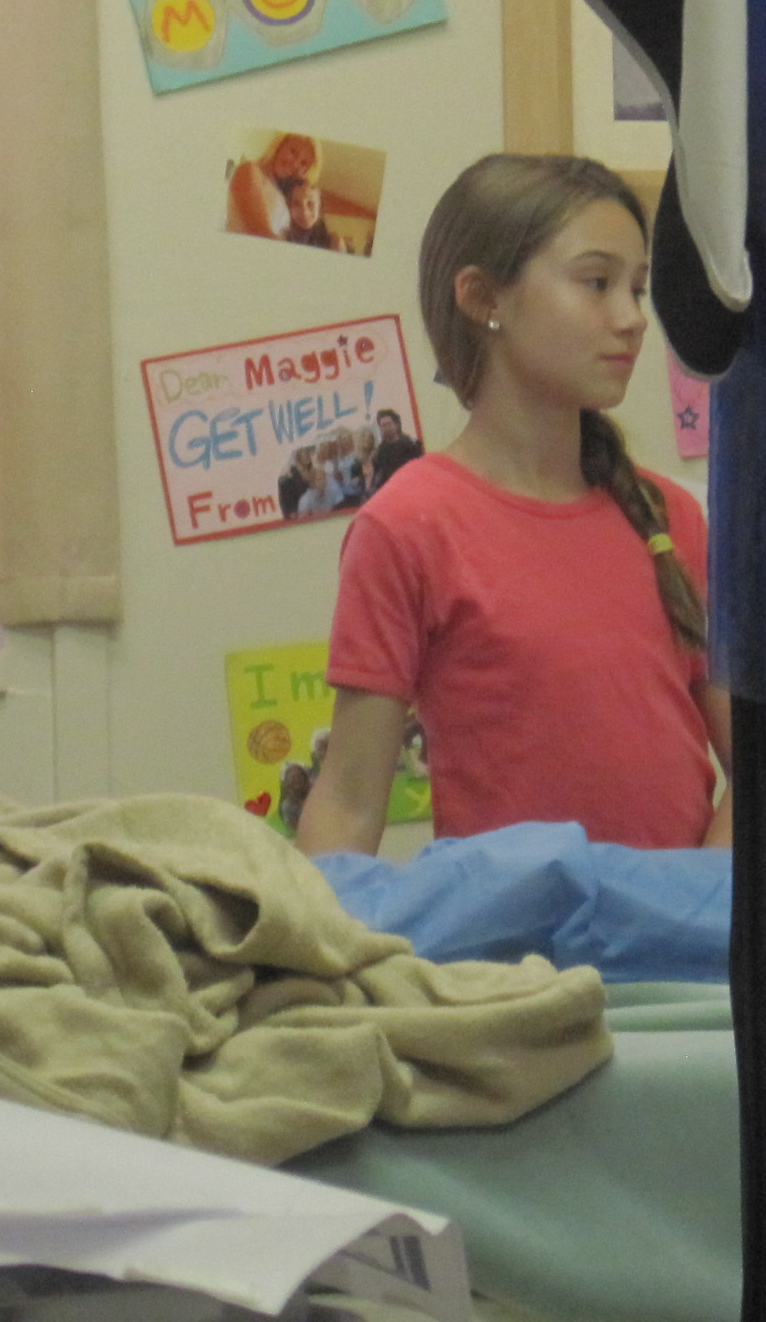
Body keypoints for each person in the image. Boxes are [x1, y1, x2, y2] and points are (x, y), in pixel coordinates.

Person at [293, 153, 735, 855]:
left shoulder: (672, 517)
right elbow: (347, 803)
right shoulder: (408, 526)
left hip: (683, 947)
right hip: (510, 957)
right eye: (596, 283)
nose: (632, 319)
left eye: (639, 288)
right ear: (482, 299)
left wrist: (699, 905)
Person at [364, 407, 423, 493]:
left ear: (396, 424)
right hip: (392, 491)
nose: (387, 428)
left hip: (412, 487)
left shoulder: (411, 445)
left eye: (389, 424)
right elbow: (375, 474)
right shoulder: (380, 452)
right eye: (383, 426)